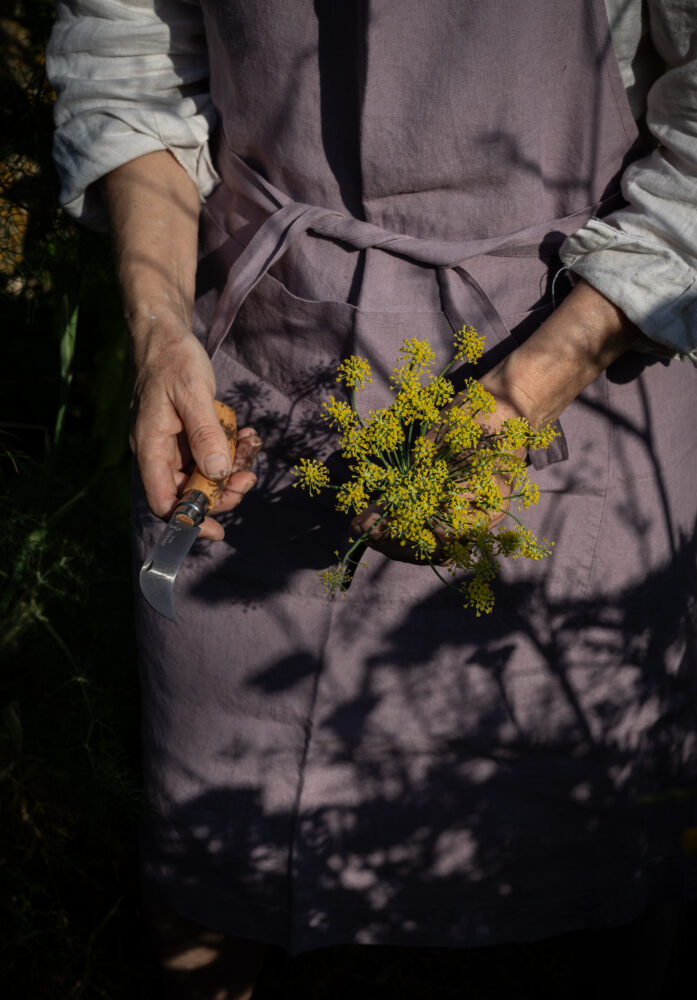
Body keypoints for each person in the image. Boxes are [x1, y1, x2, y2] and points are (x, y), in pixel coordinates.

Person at [48, 2, 697, 997]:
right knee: (217, 825)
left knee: (598, 802)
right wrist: (158, 331)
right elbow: (128, 50)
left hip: (583, 326)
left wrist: (528, 391)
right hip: (262, 334)